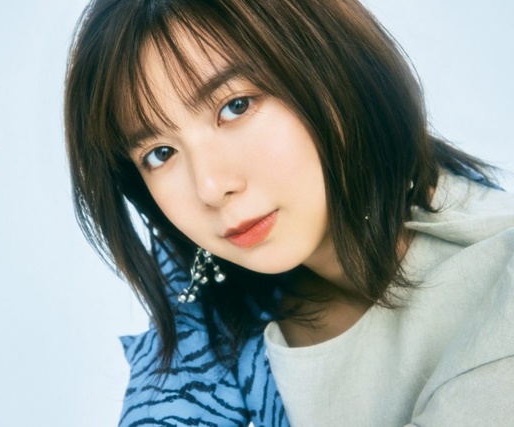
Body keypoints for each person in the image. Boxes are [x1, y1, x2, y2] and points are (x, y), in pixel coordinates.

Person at [64, 0, 514, 425]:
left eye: (235, 106)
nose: (211, 188)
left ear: (332, 67)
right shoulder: (217, 313)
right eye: (160, 153)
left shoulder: (497, 274)